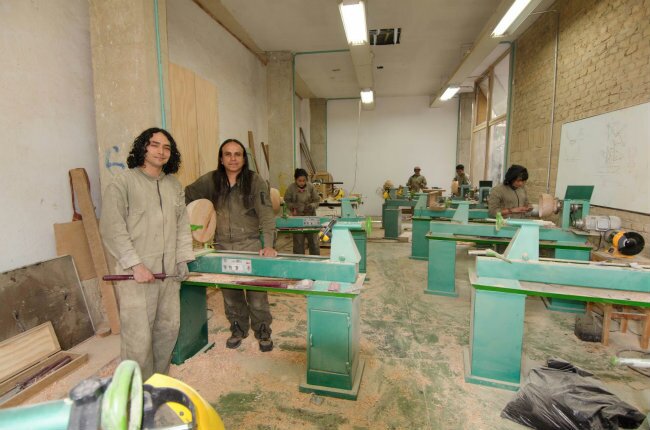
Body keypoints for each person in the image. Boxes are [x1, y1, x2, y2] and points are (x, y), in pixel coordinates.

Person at [100, 127, 194, 380]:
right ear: (143, 147)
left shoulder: (173, 185)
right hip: (137, 277)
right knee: (138, 340)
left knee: (167, 332)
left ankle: (157, 384)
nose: (161, 151)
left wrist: (182, 258)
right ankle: (136, 391)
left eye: (167, 147)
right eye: (155, 145)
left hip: (168, 275)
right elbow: (112, 228)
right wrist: (135, 265)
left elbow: (182, 224)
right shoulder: (123, 183)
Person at [185, 138, 277, 352]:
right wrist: (198, 221)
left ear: (244, 158)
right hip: (222, 247)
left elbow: (266, 215)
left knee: (257, 295)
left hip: (250, 246)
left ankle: (262, 329)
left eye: (238, 154)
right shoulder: (211, 181)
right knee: (230, 294)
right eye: (228, 154)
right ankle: (238, 328)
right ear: (221, 158)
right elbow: (187, 195)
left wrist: (269, 245)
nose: (233, 158)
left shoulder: (255, 181)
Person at [284, 168, 321, 255]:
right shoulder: (291, 188)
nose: (302, 183)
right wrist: (293, 207)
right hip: (297, 219)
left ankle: (315, 260)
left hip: (310, 218)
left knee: (314, 242)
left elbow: (317, 201)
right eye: (299, 181)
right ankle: (299, 260)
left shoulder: (311, 187)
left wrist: (312, 206)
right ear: (295, 180)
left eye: (304, 180)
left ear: (306, 180)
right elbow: (287, 201)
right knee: (298, 243)